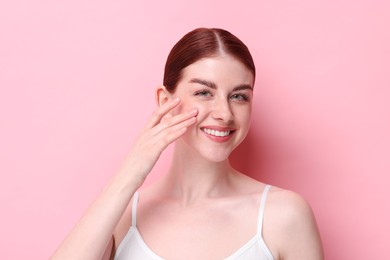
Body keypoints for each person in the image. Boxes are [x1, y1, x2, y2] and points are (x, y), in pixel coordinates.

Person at [51, 27, 323, 260]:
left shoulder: (283, 215)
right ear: (165, 101)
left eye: (239, 96)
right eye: (204, 92)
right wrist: (131, 171)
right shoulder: (121, 216)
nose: (224, 113)